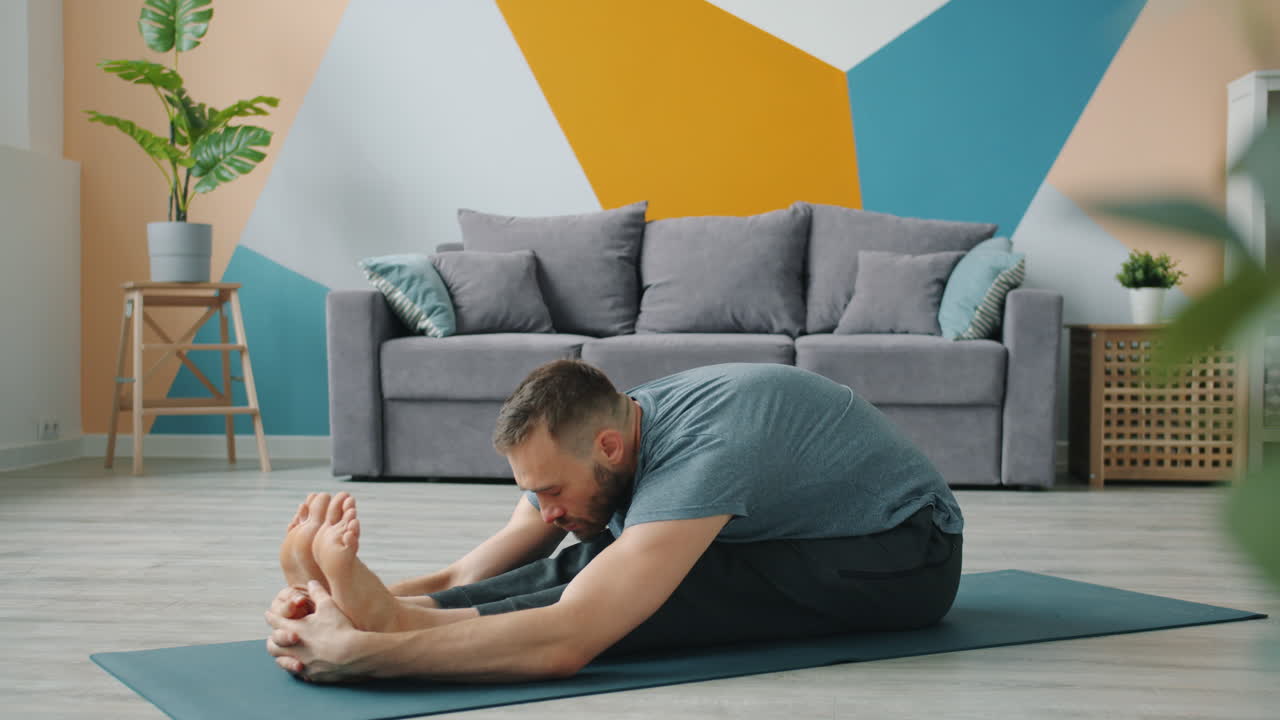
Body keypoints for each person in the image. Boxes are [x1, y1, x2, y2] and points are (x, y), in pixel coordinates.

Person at [266, 361, 964, 683]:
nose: (545, 508)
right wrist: (358, 596)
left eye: (549, 489)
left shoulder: (706, 453)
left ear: (605, 446)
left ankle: (395, 628)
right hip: (816, 534)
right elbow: (476, 569)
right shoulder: (610, 430)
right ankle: (397, 615)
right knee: (588, 542)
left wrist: (367, 655)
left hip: (906, 556)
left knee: (663, 581)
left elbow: (568, 640)